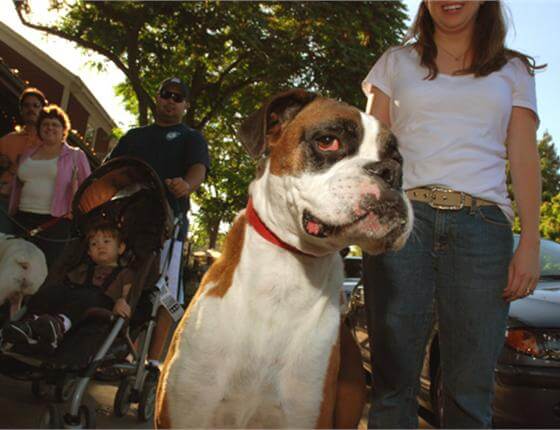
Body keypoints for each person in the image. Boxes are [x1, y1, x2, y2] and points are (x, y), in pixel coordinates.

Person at [361, 1, 542, 428]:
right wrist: (365, 219)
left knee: (469, 394)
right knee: (392, 387)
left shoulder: (514, 70)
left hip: (483, 232)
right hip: (403, 226)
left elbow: (523, 155)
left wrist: (530, 241)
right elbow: (371, 151)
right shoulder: (394, 62)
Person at [107, 77, 210, 361]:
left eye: (178, 98)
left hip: (168, 228)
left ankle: (152, 362)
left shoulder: (191, 138)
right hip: (126, 225)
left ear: (185, 106)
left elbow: (199, 168)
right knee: (122, 283)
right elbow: (110, 173)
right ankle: (118, 350)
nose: (171, 101)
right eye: (166, 94)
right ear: (157, 96)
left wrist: (187, 185)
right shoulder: (134, 137)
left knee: (164, 295)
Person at [2, 222, 134, 353]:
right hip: (76, 296)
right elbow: (65, 284)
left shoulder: (125, 273)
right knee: (52, 291)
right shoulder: (83, 269)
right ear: (89, 253)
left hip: (101, 302)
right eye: (94, 244)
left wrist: (122, 300)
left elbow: (129, 293)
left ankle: (59, 325)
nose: (100, 246)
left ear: (121, 248)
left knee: (88, 296)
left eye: (106, 241)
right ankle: (31, 323)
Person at [9, 104, 91, 268]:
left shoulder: (75, 155)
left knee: (42, 269)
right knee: (14, 267)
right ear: (39, 129)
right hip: (22, 218)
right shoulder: (28, 154)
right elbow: (17, 183)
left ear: (64, 130)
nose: (50, 128)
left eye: (55, 124)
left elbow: (88, 188)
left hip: (55, 222)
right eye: (45, 124)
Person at [0, 87, 46, 233]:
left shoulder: (49, 144)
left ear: (42, 110)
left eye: (35, 106)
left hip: (31, 208)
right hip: (4, 201)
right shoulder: (8, 140)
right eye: (26, 105)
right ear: (20, 110)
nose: (30, 109)